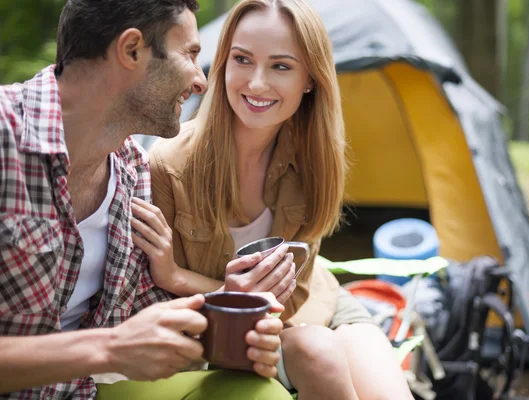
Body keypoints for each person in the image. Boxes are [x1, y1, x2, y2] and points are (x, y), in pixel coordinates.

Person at [0, 1, 291, 399]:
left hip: (84, 392)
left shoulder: (132, 170)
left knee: (260, 393)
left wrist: (232, 315)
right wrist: (107, 348)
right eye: (190, 53)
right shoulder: (5, 137)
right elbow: (117, 344)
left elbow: (139, 314)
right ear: (132, 49)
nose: (201, 81)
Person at [132, 0, 414, 399]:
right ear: (222, 63)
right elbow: (160, 311)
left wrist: (178, 277)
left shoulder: (313, 162)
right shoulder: (169, 166)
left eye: (281, 66)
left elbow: (295, 296)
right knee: (319, 354)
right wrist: (209, 290)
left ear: (310, 80)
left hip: (319, 305)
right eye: (242, 60)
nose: (257, 83)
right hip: (237, 339)